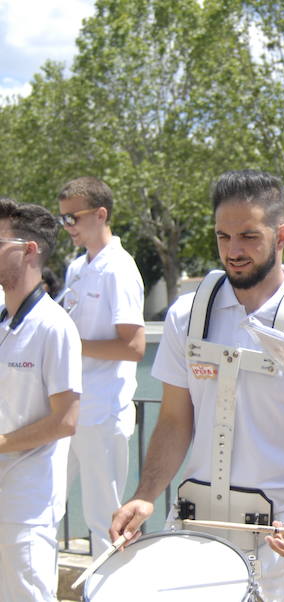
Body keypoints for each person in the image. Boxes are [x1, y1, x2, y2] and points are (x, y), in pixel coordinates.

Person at [110, 169, 284, 601]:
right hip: (194, 532)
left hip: (283, 539)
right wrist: (145, 494)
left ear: (282, 236)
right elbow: (173, 420)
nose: (234, 251)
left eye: (248, 237)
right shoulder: (186, 316)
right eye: (223, 237)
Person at [57, 177, 146, 556]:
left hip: (103, 411)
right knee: (46, 504)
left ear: (101, 214)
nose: (68, 227)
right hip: (69, 409)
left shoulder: (120, 270)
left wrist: (70, 344)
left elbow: (134, 346)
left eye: (73, 217)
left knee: (104, 520)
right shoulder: (77, 267)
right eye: (63, 219)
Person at [0, 198, 82, 601]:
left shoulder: (55, 327)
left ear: (28, 249)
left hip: (27, 506)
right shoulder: (3, 318)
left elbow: (65, 420)